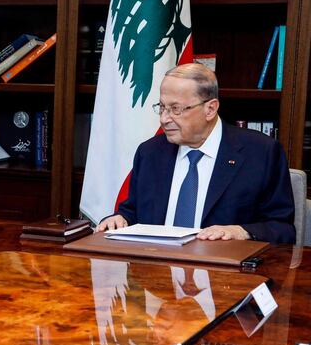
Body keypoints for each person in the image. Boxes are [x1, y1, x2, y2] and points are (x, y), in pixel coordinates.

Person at [97, 63, 295, 244]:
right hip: (155, 271)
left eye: (176, 109)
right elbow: (131, 212)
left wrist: (242, 231)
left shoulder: (261, 153)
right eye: (162, 107)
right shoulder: (150, 153)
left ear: (210, 109)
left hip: (223, 275)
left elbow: (283, 229)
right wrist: (119, 219)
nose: (165, 119)